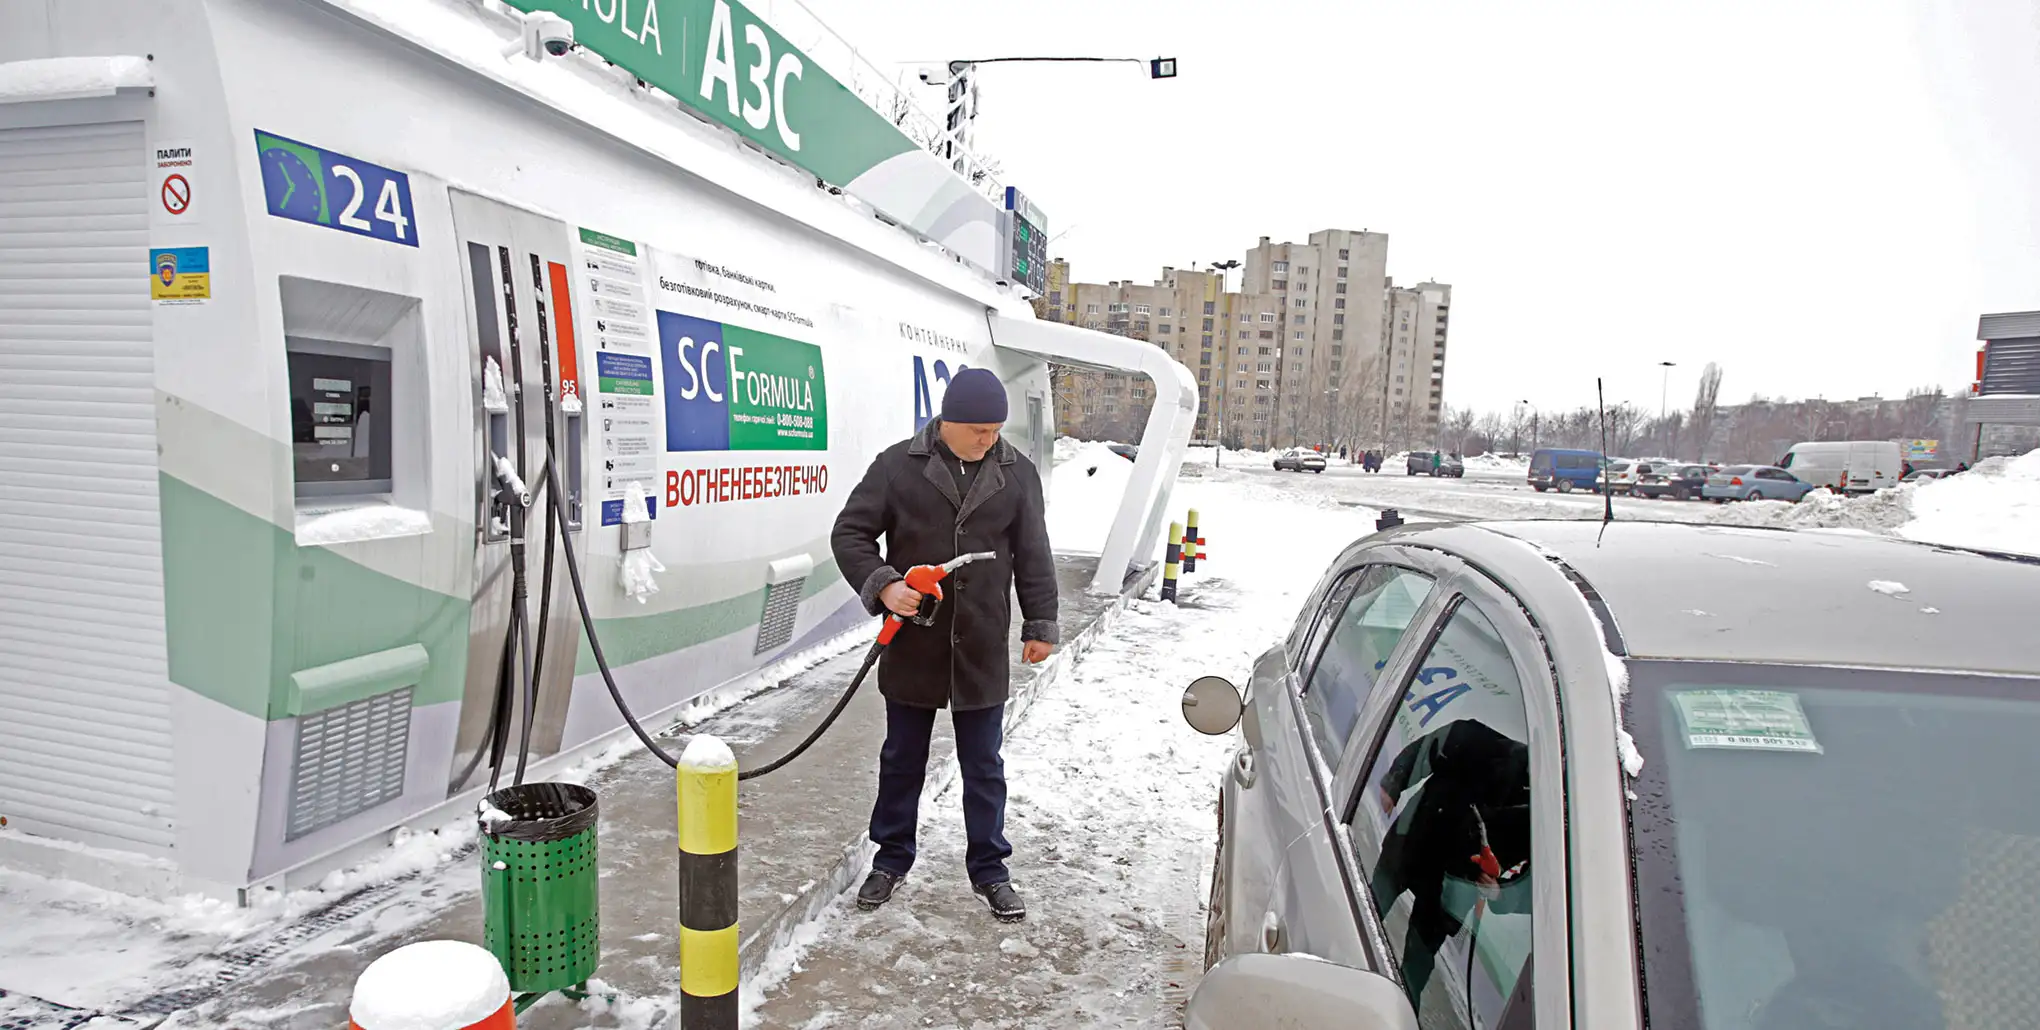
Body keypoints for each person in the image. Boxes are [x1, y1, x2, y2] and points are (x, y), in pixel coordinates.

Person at [830, 367, 1059, 922]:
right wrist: (885, 584)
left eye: (996, 429)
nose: (989, 439)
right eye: (979, 429)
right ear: (948, 422)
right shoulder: (897, 467)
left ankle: (990, 869)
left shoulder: (1016, 472)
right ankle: (890, 859)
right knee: (902, 758)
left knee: (984, 763)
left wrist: (1040, 624)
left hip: (980, 642)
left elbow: (1033, 553)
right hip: (915, 640)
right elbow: (850, 534)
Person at [1370, 717, 1531, 1009]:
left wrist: (1501, 893)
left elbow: (1538, 889)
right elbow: (1432, 744)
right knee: (1367, 909)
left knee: (1413, 974)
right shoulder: (1481, 742)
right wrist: (1395, 781)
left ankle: (1397, 1016)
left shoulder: (1550, 824)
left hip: (1451, 893)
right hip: (1412, 848)